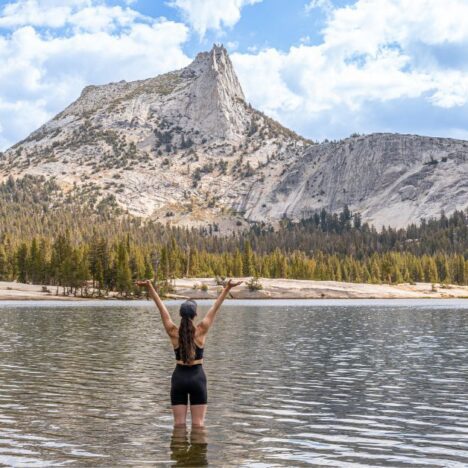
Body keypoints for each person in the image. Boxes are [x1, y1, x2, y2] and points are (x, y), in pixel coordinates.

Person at [135, 278, 241, 427]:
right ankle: (197, 450)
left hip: (179, 378)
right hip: (197, 378)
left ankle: (178, 449)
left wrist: (150, 286)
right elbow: (215, 307)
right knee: (198, 425)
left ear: (180, 315)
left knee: (179, 425)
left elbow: (162, 309)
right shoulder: (201, 330)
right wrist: (227, 288)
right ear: (195, 315)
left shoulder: (173, 332)